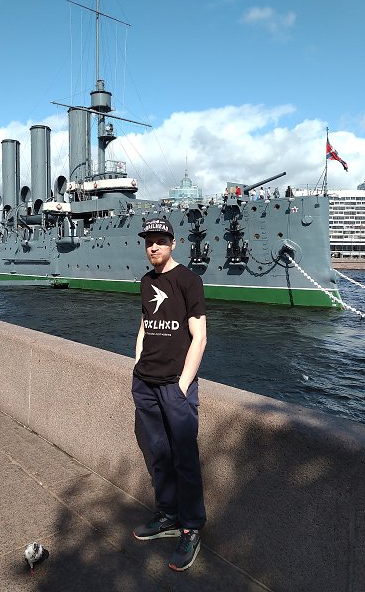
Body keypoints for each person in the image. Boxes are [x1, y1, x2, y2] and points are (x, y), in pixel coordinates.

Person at [131, 217, 207, 572]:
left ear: (173, 243)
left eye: (160, 240)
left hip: (174, 384)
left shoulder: (189, 280)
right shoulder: (146, 282)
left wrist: (183, 385)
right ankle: (167, 515)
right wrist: (137, 365)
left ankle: (191, 527)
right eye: (149, 241)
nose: (154, 246)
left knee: (184, 458)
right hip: (145, 383)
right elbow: (145, 325)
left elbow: (200, 336)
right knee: (159, 453)